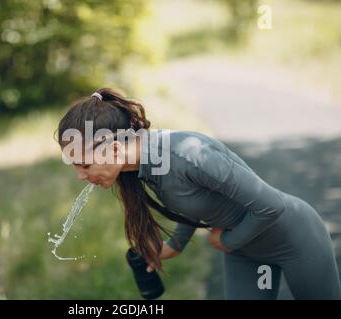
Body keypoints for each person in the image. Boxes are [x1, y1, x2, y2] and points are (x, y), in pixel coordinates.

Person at [55, 87, 341, 299]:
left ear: (115, 149)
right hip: (246, 252)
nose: (81, 175)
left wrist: (228, 241)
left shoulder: (189, 154)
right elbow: (193, 202)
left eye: (84, 164)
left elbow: (271, 206)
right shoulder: (143, 166)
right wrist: (176, 245)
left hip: (294, 239)